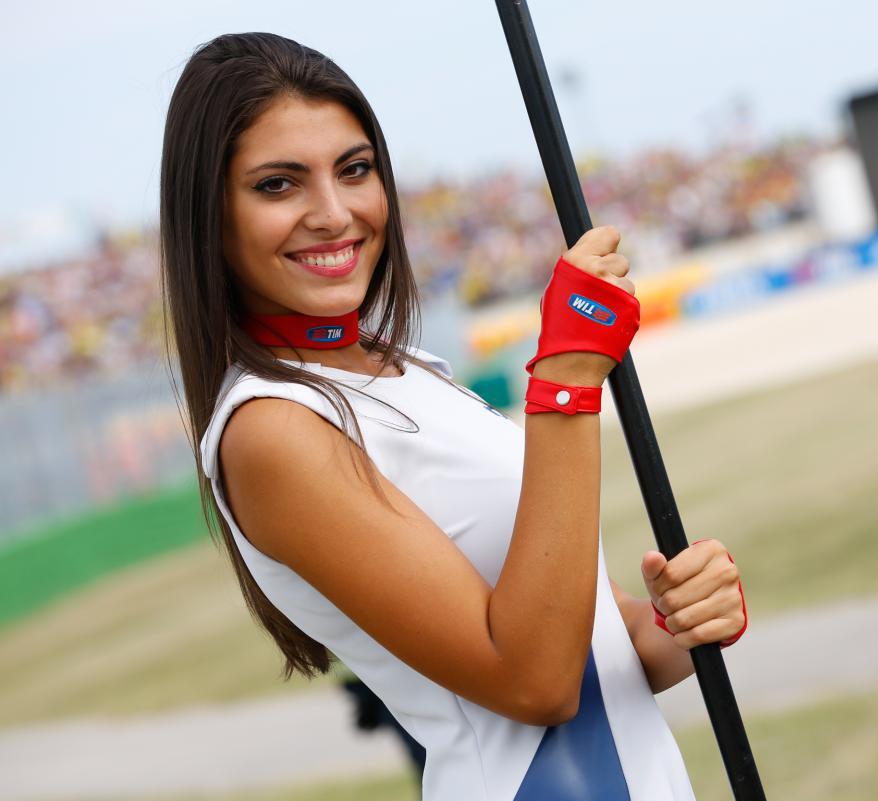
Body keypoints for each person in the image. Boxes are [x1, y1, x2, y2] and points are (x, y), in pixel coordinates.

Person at [159, 32, 747, 801]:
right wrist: (566, 382)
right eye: (278, 185)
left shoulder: (407, 371)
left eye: (355, 169)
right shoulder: (271, 428)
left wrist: (681, 618)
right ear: (211, 216)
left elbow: (594, 644)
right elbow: (535, 683)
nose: (333, 213)